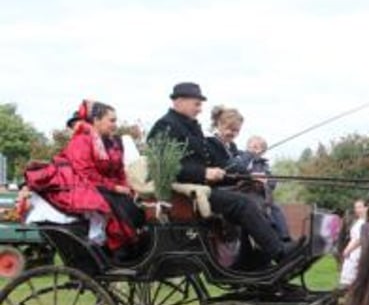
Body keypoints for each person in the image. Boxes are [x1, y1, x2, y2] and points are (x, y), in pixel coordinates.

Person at [147, 82, 302, 265]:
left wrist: (247, 176)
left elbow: (214, 163)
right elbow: (161, 168)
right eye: (197, 104)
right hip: (182, 195)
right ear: (179, 101)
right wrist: (204, 172)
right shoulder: (165, 126)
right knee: (243, 203)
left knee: (247, 198)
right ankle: (279, 253)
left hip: (201, 189)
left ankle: (250, 261)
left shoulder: (190, 126)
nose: (200, 109)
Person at [27, 100, 144, 255]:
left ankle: (132, 248)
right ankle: (117, 249)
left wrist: (126, 186)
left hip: (102, 185)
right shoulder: (82, 140)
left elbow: (118, 169)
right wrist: (114, 187)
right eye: (111, 120)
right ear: (96, 120)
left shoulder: (110, 143)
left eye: (115, 121)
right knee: (112, 205)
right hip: (82, 185)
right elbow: (85, 172)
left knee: (132, 204)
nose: (115, 125)